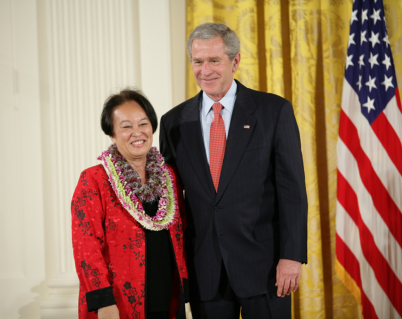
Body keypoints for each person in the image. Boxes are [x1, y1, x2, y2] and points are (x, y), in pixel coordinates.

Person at [159, 23, 308, 319]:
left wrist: (291, 257)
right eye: (198, 62)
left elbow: (292, 191)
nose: (205, 70)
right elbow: (170, 200)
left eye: (214, 60)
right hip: (205, 270)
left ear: (235, 61)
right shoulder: (173, 121)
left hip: (265, 267)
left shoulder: (273, 111)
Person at [71, 89, 188, 319]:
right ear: (112, 134)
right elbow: (86, 248)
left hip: (168, 300)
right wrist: (103, 301)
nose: (137, 132)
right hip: (120, 304)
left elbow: (182, 232)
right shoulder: (94, 180)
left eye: (143, 123)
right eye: (126, 126)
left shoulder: (169, 177)